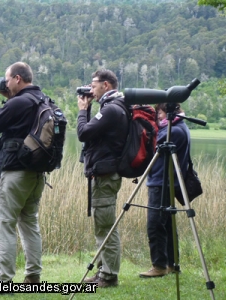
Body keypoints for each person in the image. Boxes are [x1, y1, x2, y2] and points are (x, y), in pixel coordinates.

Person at [0, 62, 45, 284]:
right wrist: (9, 99)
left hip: (15, 173)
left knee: (3, 223)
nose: (4, 83)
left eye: (7, 80)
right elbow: (19, 125)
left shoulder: (20, 102)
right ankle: (33, 275)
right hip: (36, 174)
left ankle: (3, 280)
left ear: (17, 78)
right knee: (29, 223)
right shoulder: (41, 99)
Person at [77, 69, 129, 288]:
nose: (91, 89)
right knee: (102, 224)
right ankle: (103, 271)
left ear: (106, 85)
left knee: (106, 226)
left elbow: (83, 133)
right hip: (104, 173)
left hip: (106, 176)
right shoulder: (114, 107)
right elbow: (91, 134)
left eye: (93, 85)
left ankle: (109, 276)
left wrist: (82, 110)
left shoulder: (111, 110)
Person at [139, 103, 190, 278]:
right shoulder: (180, 127)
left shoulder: (173, 131)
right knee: (168, 223)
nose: (158, 117)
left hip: (161, 182)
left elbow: (153, 146)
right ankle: (172, 264)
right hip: (166, 181)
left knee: (155, 223)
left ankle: (159, 265)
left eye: (159, 113)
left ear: (168, 112)